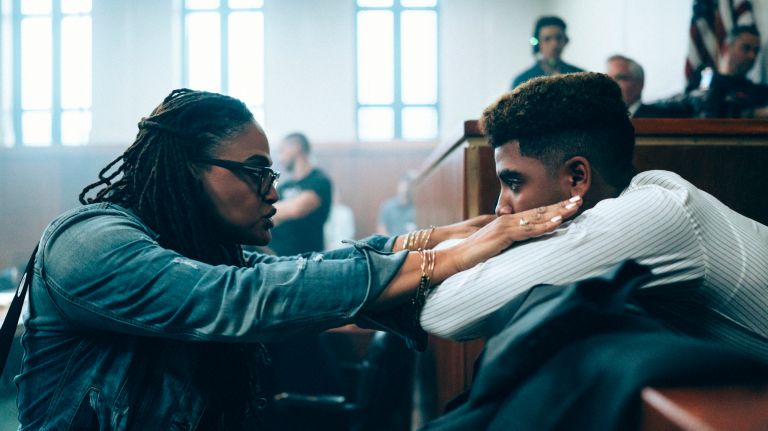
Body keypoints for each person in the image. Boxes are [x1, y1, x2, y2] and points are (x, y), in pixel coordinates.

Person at [14, 88, 581, 430]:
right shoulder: (87, 241)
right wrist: (443, 261)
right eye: (256, 171)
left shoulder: (206, 251)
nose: (273, 191)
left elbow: (294, 269)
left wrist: (444, 236)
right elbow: (231, 299)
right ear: (188, 168)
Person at [420, 73, 768, 361]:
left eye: (513, 182)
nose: (501, 208)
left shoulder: (656, 214)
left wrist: (463, 250)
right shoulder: (641, 200)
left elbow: (446, 312)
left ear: (577, 178)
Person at [269, 132, 332, 256]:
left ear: (296, 148)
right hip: (275, 256)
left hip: (304, 259)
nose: (280, 158)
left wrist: (261, 210)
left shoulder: (319, 180)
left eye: (282, 151)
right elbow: (270, 218)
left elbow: (296, 209)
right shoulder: (284, 186)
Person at [699, 25, 768, 118]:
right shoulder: (706, 78)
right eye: (746, 48)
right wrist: (752, 113)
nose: (752, 56)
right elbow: (700, 108)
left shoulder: (759, 92)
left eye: (756, 51)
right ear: (727, 48)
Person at [606, 54, 692, 118]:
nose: (612, 84)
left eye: (620, 78)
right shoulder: (601, 120)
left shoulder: (662, 118)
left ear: (640, 84)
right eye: (608, 79)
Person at [511, 16, 584, 89]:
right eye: (547, 39)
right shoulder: (521, 81)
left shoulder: (582, 77)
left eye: (558, 38)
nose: (554, 44)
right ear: (537, 43)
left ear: (565, 40)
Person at [376, 171, 417, 236]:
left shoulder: (415, 208)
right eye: (404, 185)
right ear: (399, 185)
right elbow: (382, 231)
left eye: (410, 186)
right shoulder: (387, 207)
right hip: (392, 244)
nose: (406, 189)